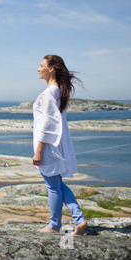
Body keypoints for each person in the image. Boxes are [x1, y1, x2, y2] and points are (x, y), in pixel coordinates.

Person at [32, 54, 87, 235]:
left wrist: (39, 151)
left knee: (53, 186)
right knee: (58, 184)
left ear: (51, 69)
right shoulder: (57, 91)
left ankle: (54, 225)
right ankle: (78, 219)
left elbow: (47, 125)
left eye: (41, 66)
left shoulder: (49, 93)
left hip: (48, 147)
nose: (38, 69)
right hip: (55, 145)